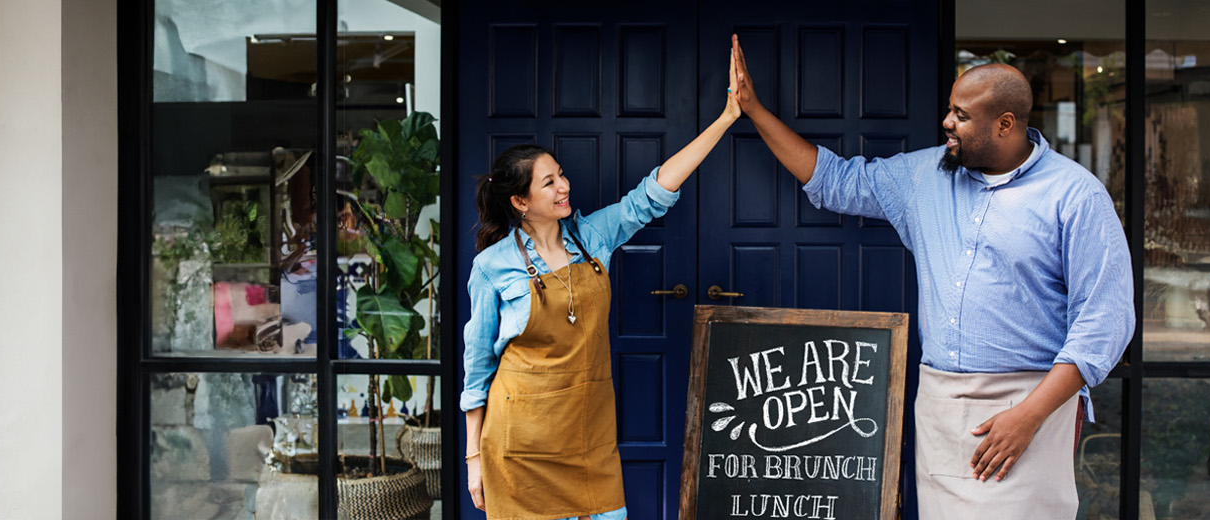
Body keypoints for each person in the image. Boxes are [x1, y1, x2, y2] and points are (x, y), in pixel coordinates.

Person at [728, 36, 1135, 518]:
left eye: (961, 115)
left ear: (1005, 124)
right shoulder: (924, 176)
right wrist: (752, 109)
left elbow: (1104, 325)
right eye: (950, 109)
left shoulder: (1076, 197)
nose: (946, 122)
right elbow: (834, 181)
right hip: (940, 404)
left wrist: (1028, 416)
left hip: (1031, 406)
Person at [460, 49, 743, 520]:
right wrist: (473, 459)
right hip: (520, 446)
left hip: (588, 435)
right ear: (520, 201)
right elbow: (477, 371)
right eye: (548, 183)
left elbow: (653, 194)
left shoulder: (592, 238)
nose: (563, 186)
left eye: (561, 175)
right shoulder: (492, 266)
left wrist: (727, 118)